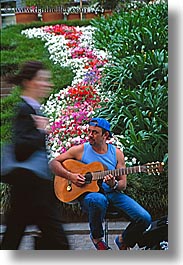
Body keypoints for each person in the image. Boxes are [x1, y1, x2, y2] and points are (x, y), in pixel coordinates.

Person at [50, 117, 152, 250]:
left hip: (112, 193)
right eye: (90, 131)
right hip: (90, 196)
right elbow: (53, 163)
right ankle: (97, 237)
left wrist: (113, 184)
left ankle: (123, 240)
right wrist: (71, 176)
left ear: (106, 135)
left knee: (144, 218)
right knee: (98, 199)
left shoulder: (117, 154)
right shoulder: (81, 150)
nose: (90, 135)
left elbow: (123, 184)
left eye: (95, 132)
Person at [1, 61, 70, 250]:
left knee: (13, 237)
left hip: (31, 190)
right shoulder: (25, 110)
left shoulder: (32, 109)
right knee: (58, 241)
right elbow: (20, 149)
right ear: (29, 82)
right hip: (31, 189)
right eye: (42, 80)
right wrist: (41, 132)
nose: (48, 84)